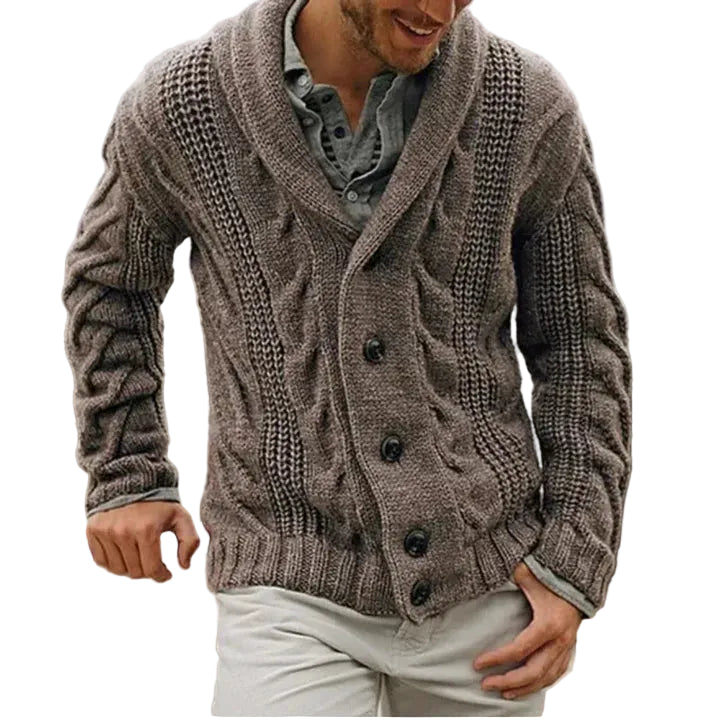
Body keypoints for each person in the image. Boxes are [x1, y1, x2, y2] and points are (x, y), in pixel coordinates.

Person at [61, 0, 633, 716]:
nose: (439, 10)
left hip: (488, 586)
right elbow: (111, 284)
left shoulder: (525, 104)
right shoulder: (186, 102)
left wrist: (575, 555)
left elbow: (581, 339)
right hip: (287, 573)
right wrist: (128, 471)